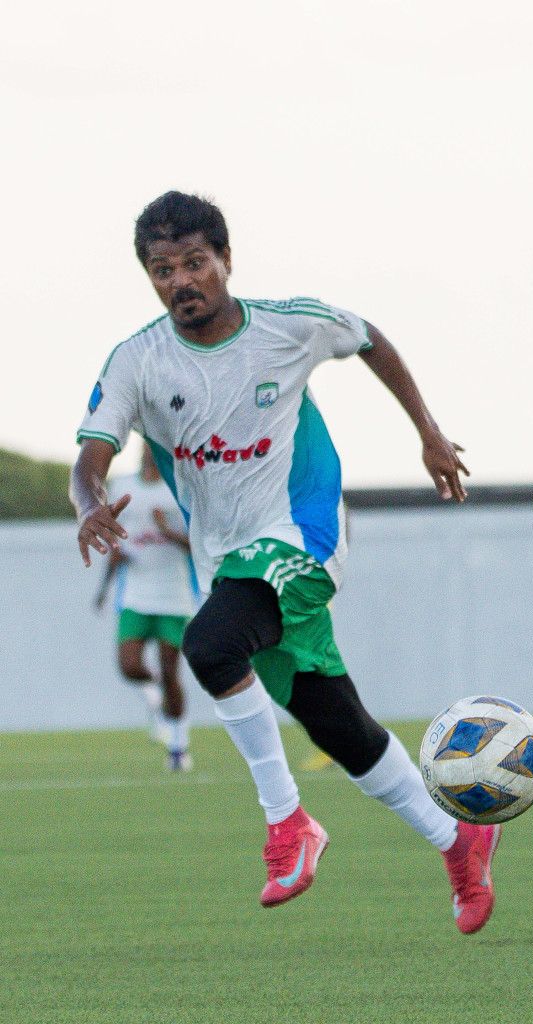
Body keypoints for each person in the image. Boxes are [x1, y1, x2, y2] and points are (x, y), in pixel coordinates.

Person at [72, 191, 500, 933]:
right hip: (230, 558)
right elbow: (90, 458)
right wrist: (88, 504)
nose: (181, 281)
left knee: (208, 644)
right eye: (162, 269)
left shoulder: (288, 326)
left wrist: (428, 433)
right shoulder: (138, 361)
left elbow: (371, 339)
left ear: (226, 260)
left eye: (195, 263)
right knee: (337, 725)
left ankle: (289, 823)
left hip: (305, 533)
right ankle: (459, 839)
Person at [93, 442, 198, 769]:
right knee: (129, 665)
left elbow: (199, 545)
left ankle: (178, 746)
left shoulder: (179, 490)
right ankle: (155, 700)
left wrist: (166, 530)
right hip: (136, 594)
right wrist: (105, 583)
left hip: (172, 595)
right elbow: (113, 536)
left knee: (171, 672)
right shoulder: (123, 487)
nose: (148, 453)